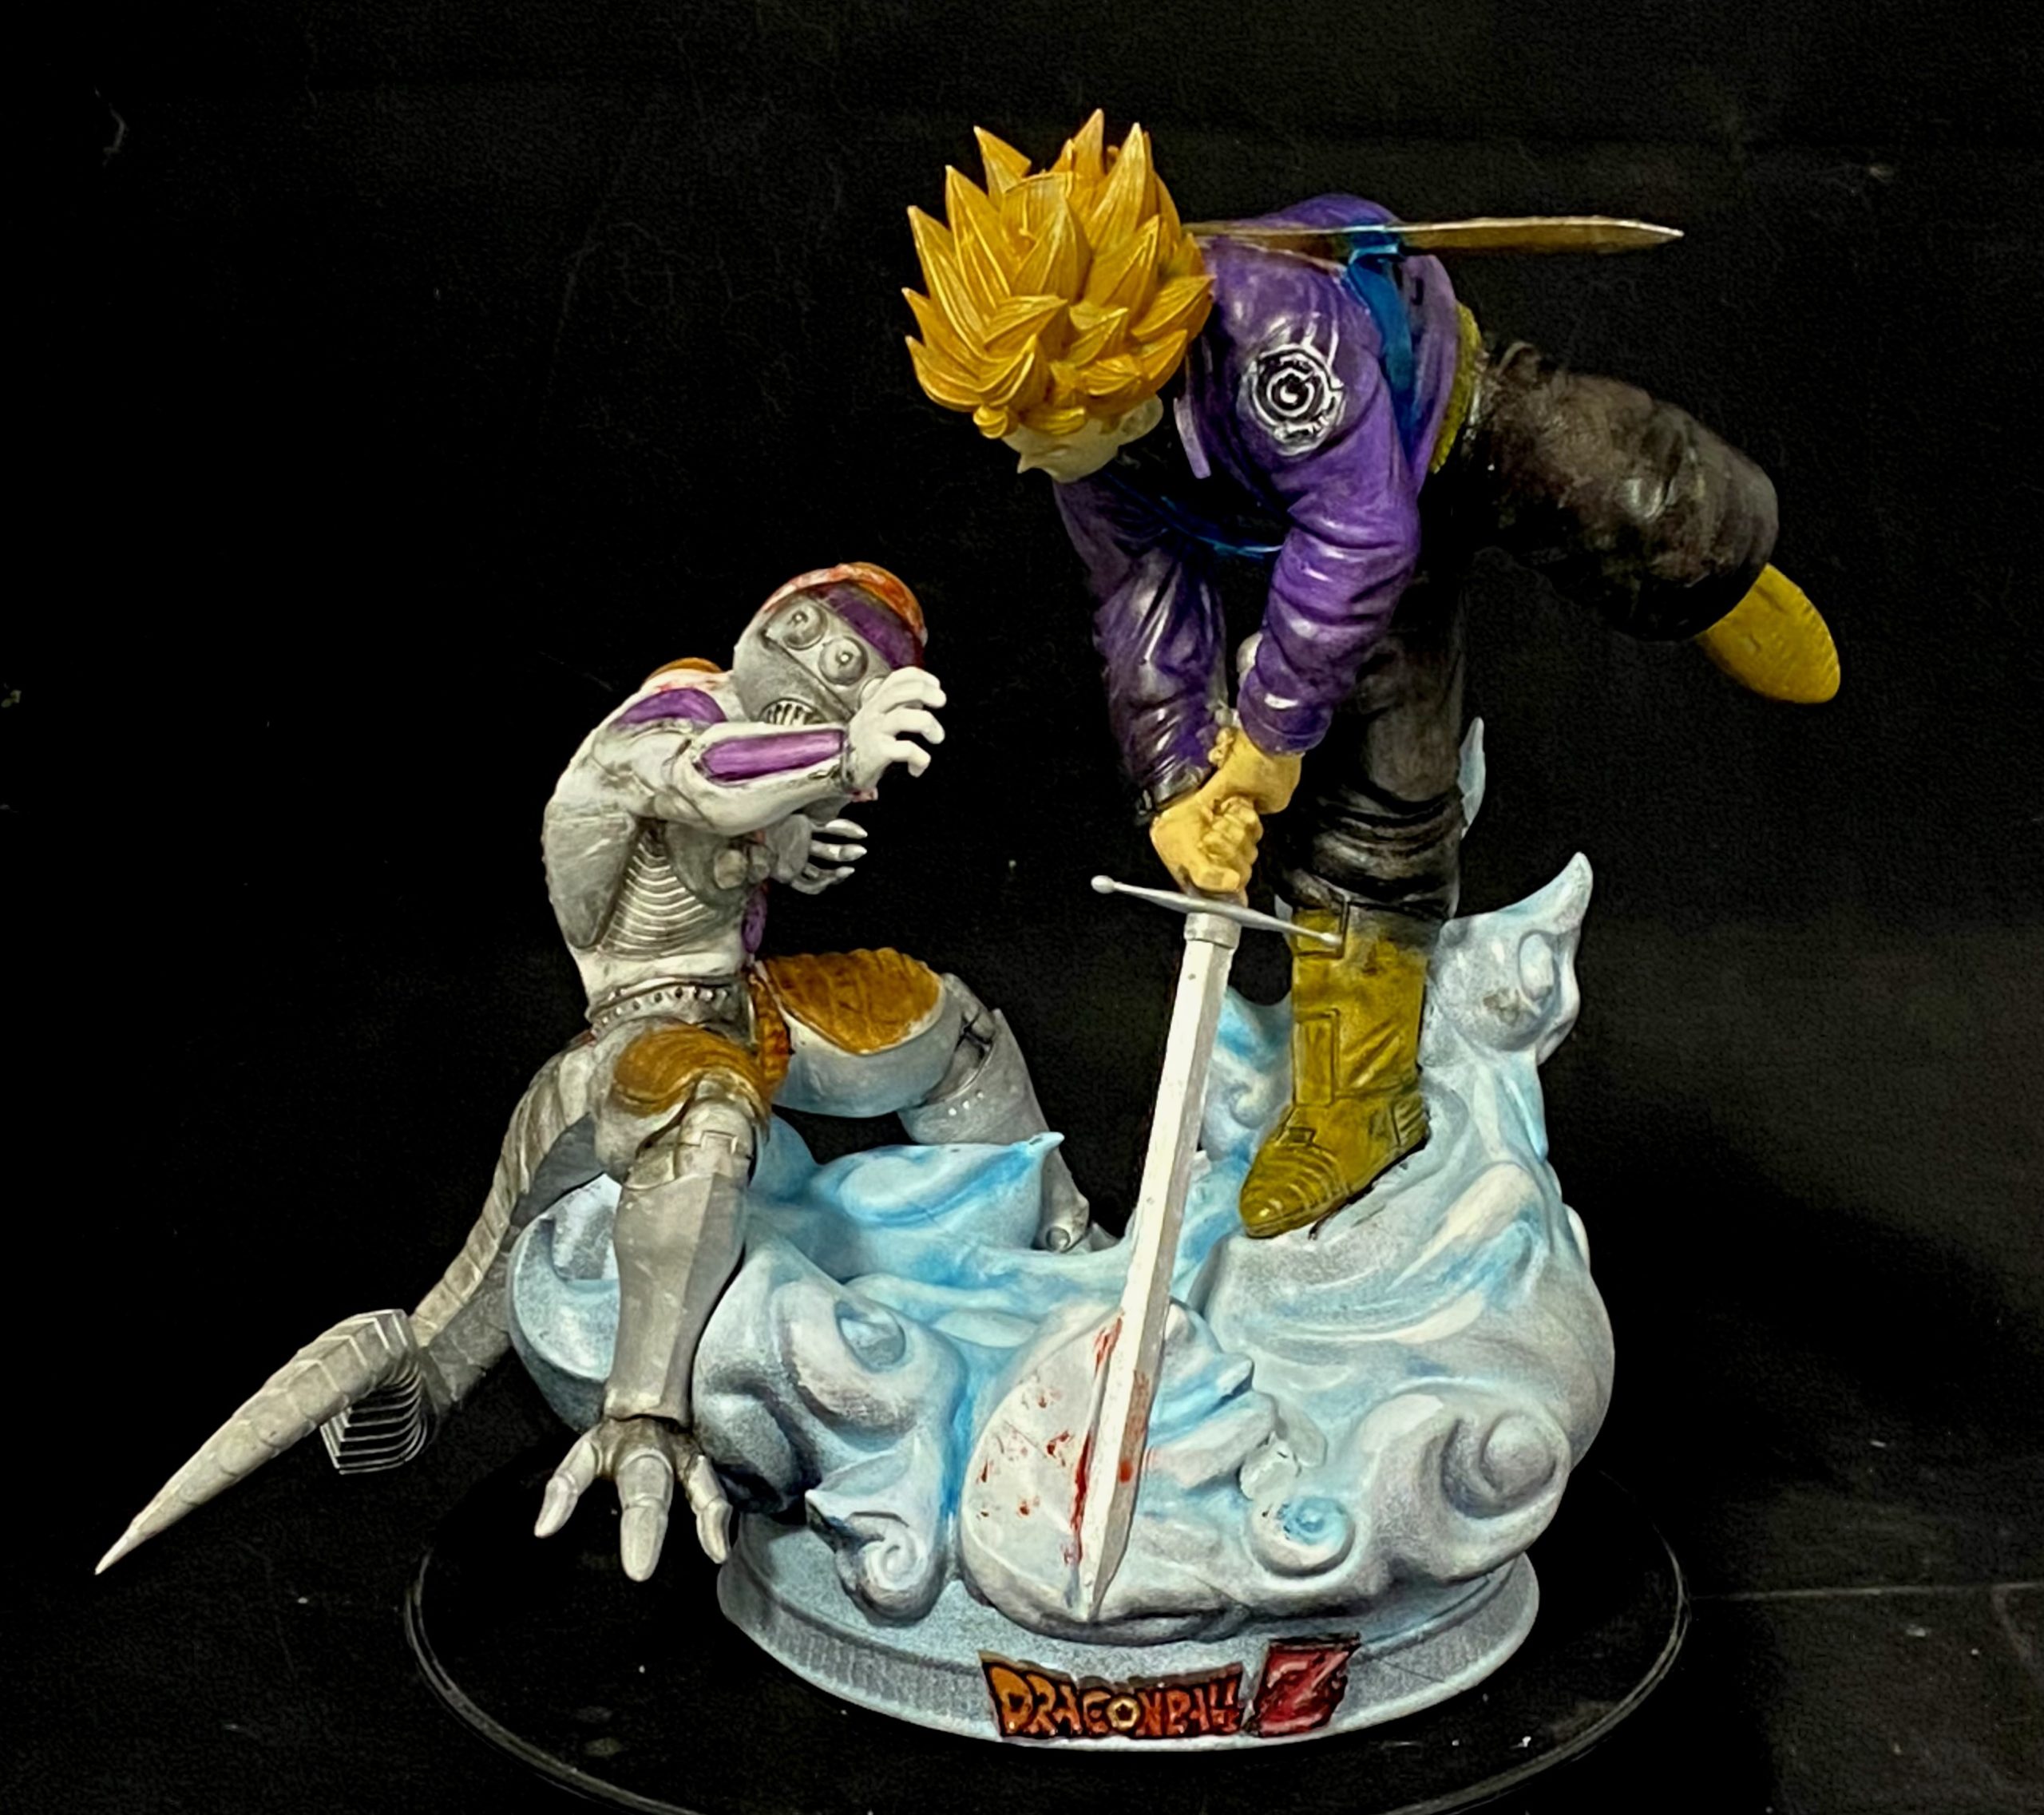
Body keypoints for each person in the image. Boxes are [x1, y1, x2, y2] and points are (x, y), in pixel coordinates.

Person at [905, 114, 1839, 1239]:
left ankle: (1718, 575)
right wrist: (1180, 786)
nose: (1015, 453)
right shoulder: (1087, 458)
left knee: (1626, 490)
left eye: (1033, 427)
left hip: (1442, 421)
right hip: (1332, 540)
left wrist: (1265, 742)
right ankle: (1359, 1103)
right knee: (1378, 790)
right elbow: (1139, 601)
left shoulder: (1278, 342)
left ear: (1128, 390)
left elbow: (1357, 538)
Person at [533, 561, 1092, 1578]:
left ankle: (1065, 1242)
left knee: (953, 1026)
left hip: (746, 1006)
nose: (833, 681)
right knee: (710, 1120)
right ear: (778, 627)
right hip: (642, 1030)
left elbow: (728, 834)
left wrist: (786, 850)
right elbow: (700, 776)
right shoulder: (672, 712)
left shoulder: (760, 753)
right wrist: (841, 752)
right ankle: (646, 1411)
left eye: (861, 675)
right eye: (834, 654)